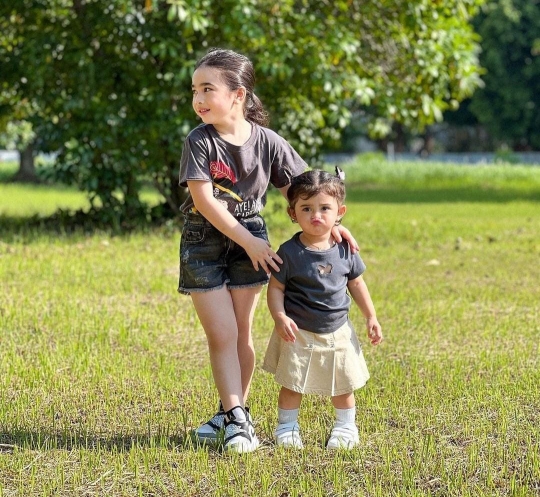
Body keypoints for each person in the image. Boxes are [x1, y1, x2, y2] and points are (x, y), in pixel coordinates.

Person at [177, 48, 358, 453]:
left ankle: (231, 415)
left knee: (241, 331)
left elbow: (308, 192)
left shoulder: (269, 143)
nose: (199, 99)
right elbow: (205, 203)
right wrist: (250, 241)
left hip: (251, 243)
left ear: (238, 95)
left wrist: (337, 228)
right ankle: (238, 420)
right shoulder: (199, 141)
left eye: (208, 89)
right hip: (204, 243)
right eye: (195, 90)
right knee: (221, 333)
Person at [263, 169, 383, 450]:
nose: (316, 215)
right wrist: (279, 316)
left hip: (337, 330)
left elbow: (357, 284)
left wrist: (371, 317)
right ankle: (287, 427)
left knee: (343, 385)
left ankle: (345, 427)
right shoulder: (289, 252)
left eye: (324, 208)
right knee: (293, 383)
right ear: (293, 213)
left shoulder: (345, 250)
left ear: (340, 211)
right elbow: (276, 288)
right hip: (298, 331)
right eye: (306, 208)